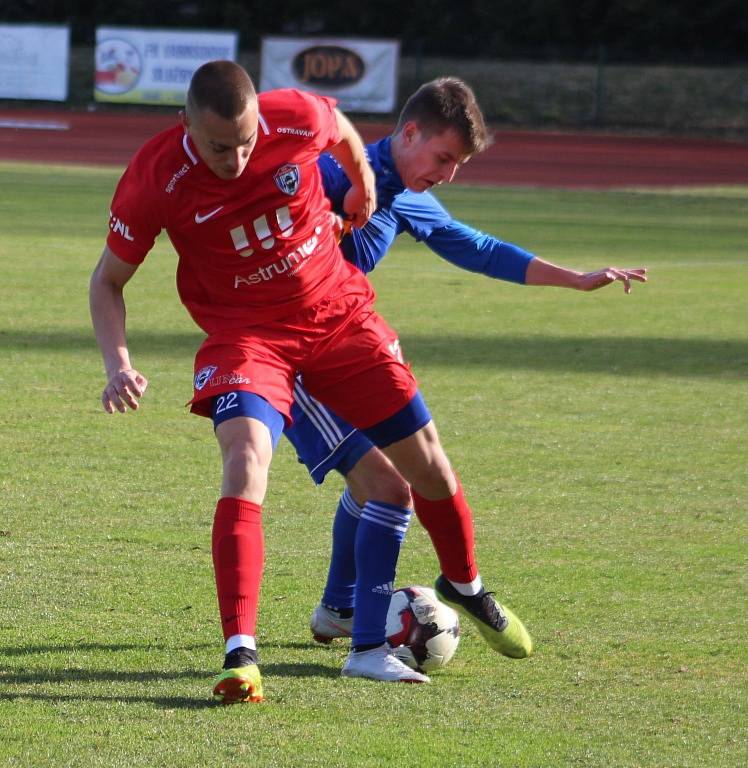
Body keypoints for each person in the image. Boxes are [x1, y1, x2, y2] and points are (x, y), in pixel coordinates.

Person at [89, 61, 534, 704]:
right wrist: (118, 364)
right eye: (220, 146)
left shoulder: (292, 113)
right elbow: (107, 281)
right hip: (248, 338)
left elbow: (341, 128)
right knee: (245, 462)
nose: (238, 158)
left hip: (339, 315)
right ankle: (242, 654)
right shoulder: (154, 176)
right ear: (185, 124)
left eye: (247, 142)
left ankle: (464, 583)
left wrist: (358, 187)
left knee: (429, 468)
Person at [283, 78, 647, 666]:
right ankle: (367, 646)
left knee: (396, 475)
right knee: (390, 488)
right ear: (408, 133)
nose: (449, 173)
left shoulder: (404, 194)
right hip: (290, 356)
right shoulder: (329, 173)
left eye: (458, 164)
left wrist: (576, 278)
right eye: (444, 157)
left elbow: (477, 248)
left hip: (345, 351)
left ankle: (342, 608)